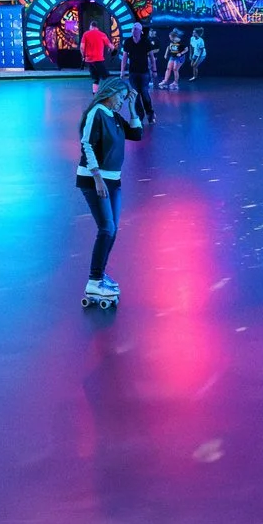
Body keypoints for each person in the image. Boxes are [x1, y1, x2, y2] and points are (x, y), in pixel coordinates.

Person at [74, 73, 145, 307]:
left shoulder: (114, 115)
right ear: (111, 92)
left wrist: (133, 109)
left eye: (125, 98)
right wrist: (97, 178)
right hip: (95, 179)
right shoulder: (97, 113)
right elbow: (86, 144)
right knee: (106, 228)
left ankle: (100, 276)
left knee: (112, 230)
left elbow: (136, 134)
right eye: (121, 97)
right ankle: (94, 280)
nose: (121, 101)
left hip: (113, 179)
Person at [123, 22, 154, 122]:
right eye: (133, 29)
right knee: (135, 94)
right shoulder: (128, 42)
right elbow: (124, 58)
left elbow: (152, 57)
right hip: (133, 72)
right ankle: (140, 115)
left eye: (136, 29)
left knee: (144, 92)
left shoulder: (146, 42)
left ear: (140, 32)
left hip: (144, 72)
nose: (134, 31)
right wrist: (122, 71)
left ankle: (150, 113)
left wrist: (154, 70)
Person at [79, 17, 112, 82]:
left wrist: (83, 56)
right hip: (99, 59)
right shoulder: (102, 35)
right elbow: (111, 46)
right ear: (97, 27)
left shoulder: (86, 34)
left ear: (91, 26)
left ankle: (95, 92)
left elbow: (81, 47)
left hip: (89, 60)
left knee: (95, 78)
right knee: (105, 76)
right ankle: (106, 90)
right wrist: (111, 50)